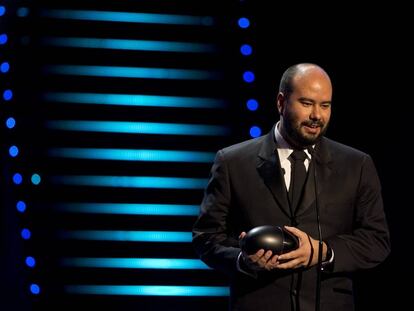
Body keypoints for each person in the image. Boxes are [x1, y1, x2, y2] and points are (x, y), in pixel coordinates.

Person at [192, 63, 390, 311]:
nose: (317, 115)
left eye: (325, 105)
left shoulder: (356, 165)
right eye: (307, 103)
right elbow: (206, 237)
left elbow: (376, 240)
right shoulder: (233, 162)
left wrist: (325, 252)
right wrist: (243, 260)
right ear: (281, 102)